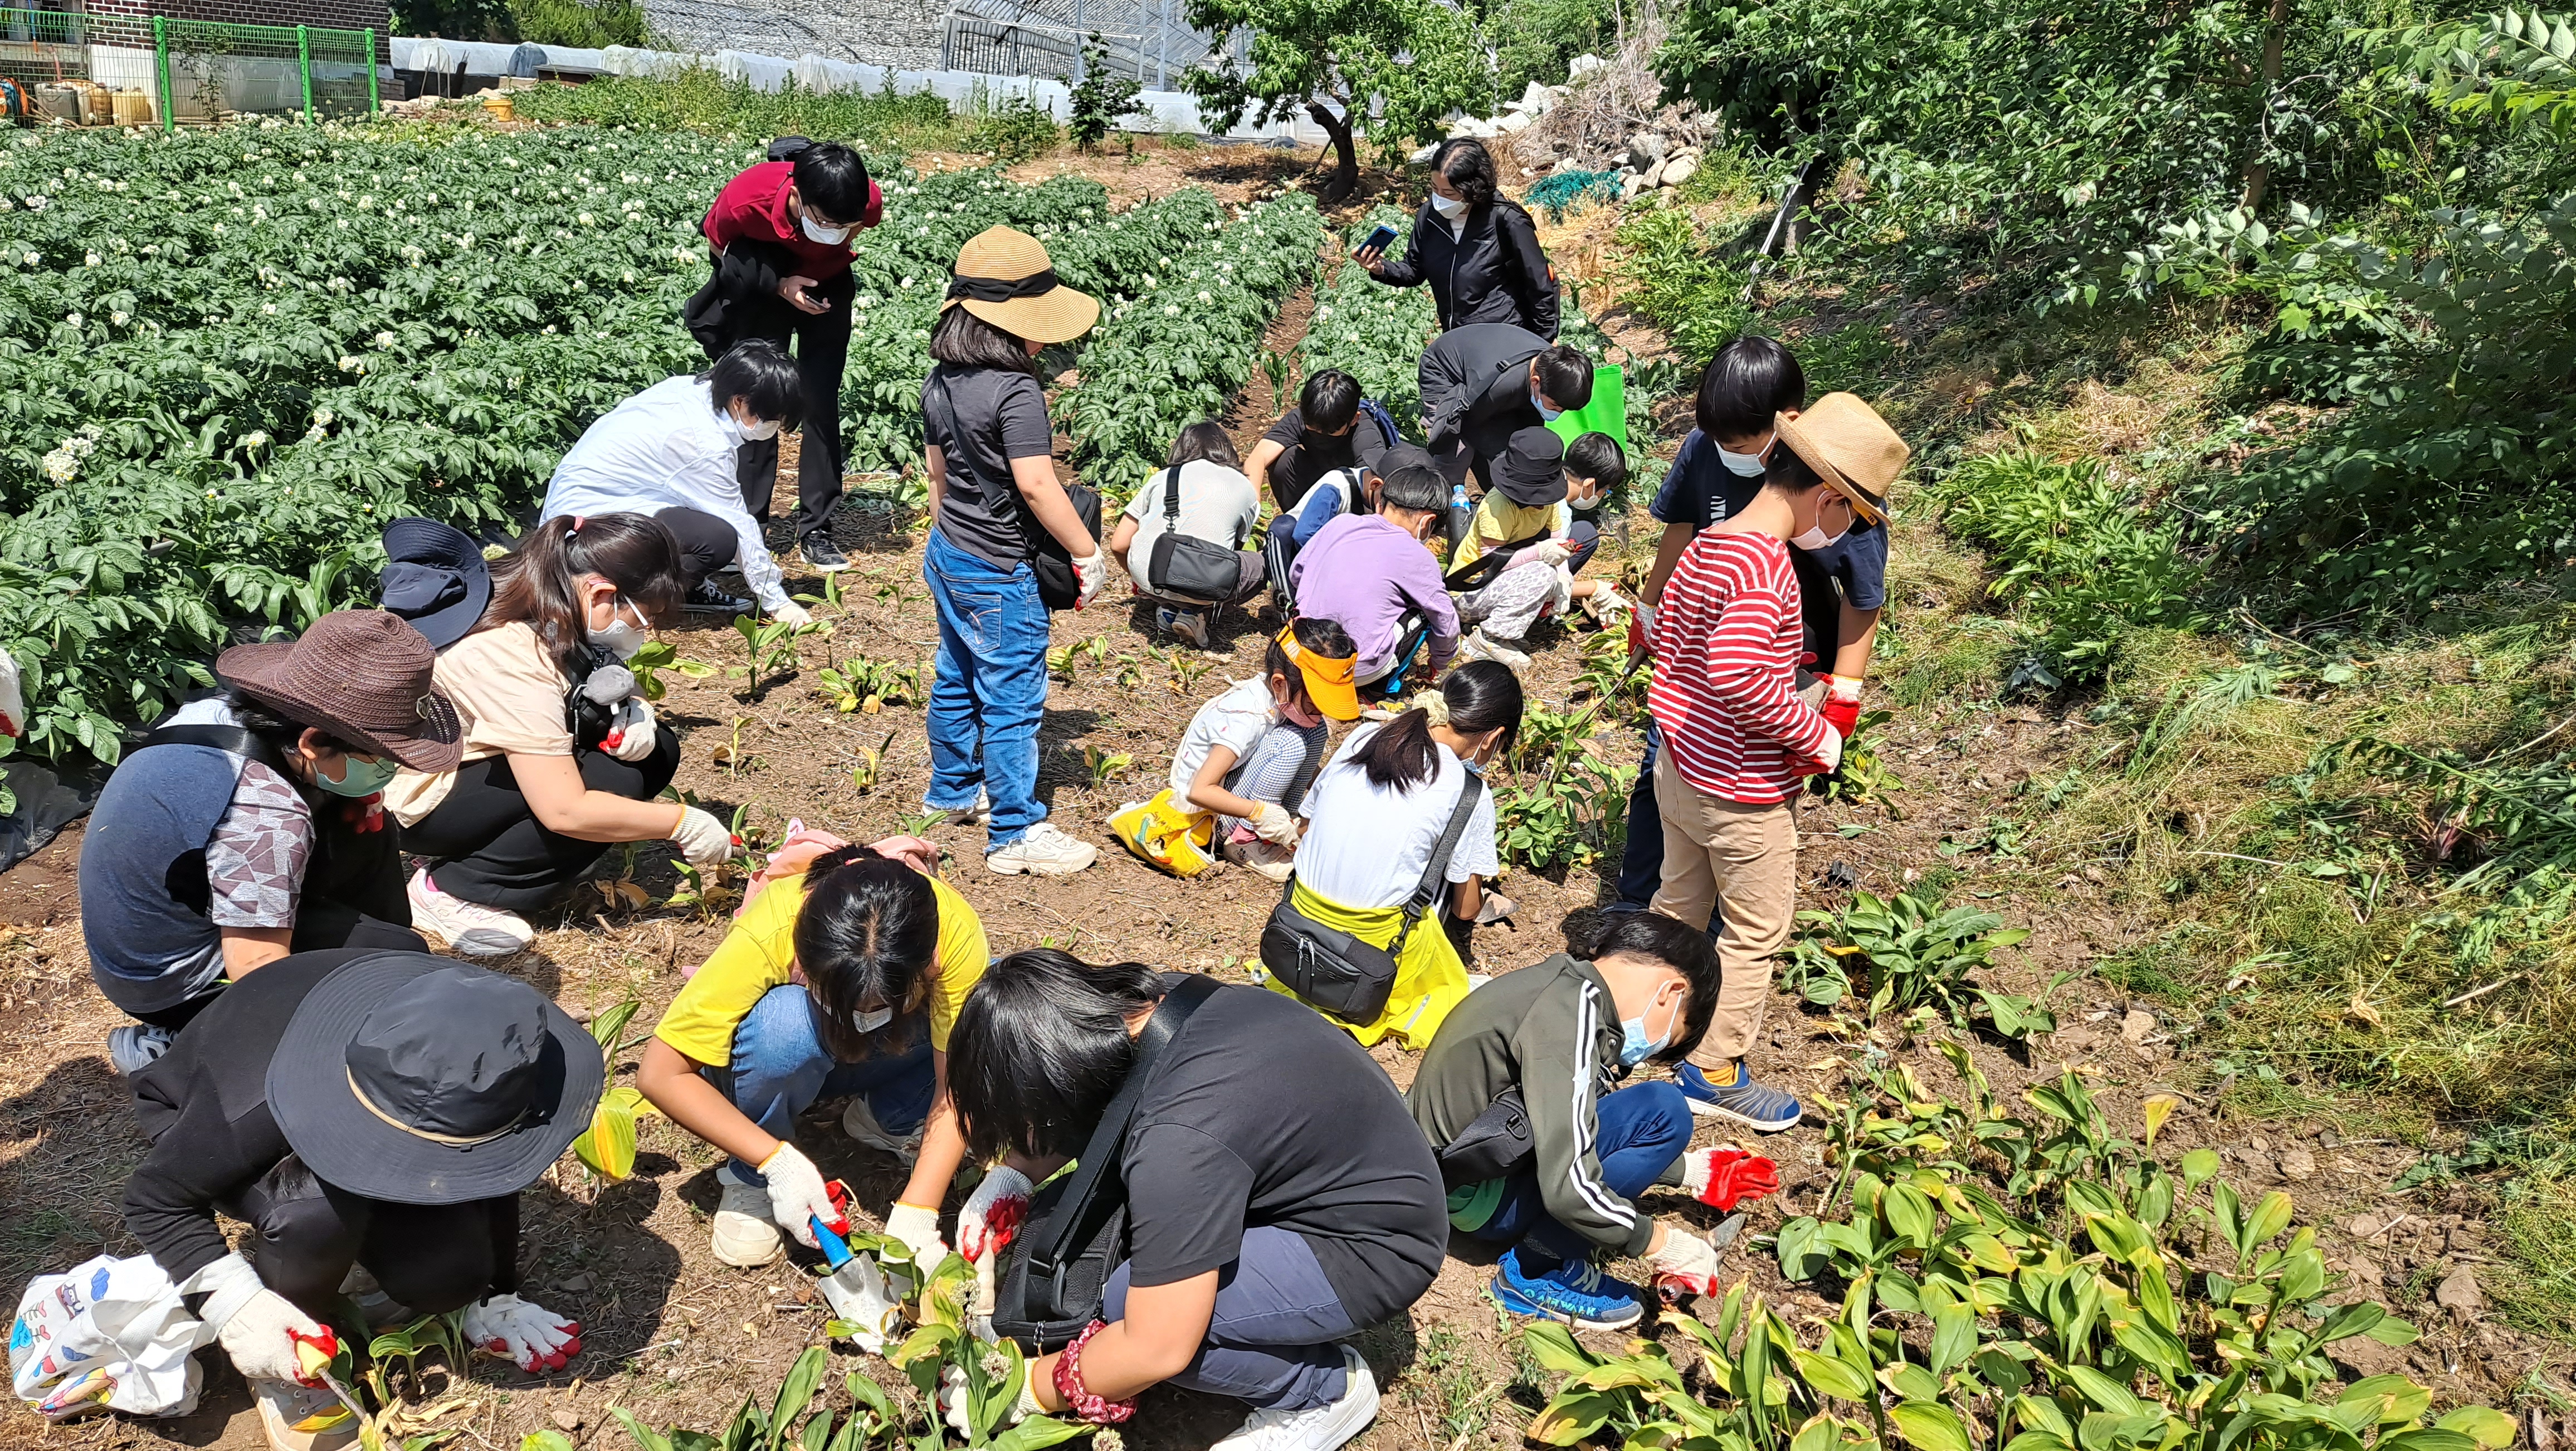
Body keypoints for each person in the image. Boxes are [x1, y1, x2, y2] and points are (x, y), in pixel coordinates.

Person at [944, 950, 1446, 1451]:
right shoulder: (1156, 1005)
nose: (1033, 1139)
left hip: (1375, 1246)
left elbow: (1156, 1347)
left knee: (1126, 1306)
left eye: (1035, 1124)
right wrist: (1013, 1178)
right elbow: (1102, 1101)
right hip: (1370, 1170)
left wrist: (1023, 1387)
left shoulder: (1178, 1141)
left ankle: (1325, 1391)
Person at [125, 947, 597, 1449]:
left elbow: (497, 1173)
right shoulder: (248, 1109)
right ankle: (286, 1364)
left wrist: (498, 1292)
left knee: (450, 1277)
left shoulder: (491, 1048)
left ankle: (367, 1260)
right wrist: (237, 1306)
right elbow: (155, 1199)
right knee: (311, 1217)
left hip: (383, 1098)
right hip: (224, 1116)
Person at [1642, 392, 1908, 1133]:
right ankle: (1713, 1067)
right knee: (1755, 930)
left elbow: (1686, 649)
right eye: (1850, 517)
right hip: (1741, 792)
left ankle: (1641, 1021)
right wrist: (1815, 735)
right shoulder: (1767, 571)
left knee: (1679, 906)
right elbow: (1737, 673)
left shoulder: (1714, 542)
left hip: (1682, 765)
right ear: (1827, 497)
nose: (1845, 533)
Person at [79, 611, 457, 1076]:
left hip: (148, 938)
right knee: (397, 962)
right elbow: (258, 968)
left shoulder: (217, 713)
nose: (391, 769)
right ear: (314, 742)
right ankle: (188, 1042)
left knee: (368, 829)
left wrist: (344, 792)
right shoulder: (268, 816)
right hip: (176, 983)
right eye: (382, 757)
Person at [388, 515, 738, 958]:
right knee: (612, 784)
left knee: (655, 752)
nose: (645, 632)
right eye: (643, 618)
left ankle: (482, 857)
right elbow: (564, 809)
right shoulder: (509, 650)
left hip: (470, 759)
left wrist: (635, 712)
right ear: (602, 593)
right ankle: (451, 892)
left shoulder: (547, 593)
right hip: (410, 798)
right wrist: (681, 823)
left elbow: (594, 675)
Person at [638, 832, 989, 1268]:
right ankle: (749, 1177)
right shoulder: (774, 925)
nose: (866, 1014)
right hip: (780, 1059)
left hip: (879, 1051)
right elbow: (660, 1074)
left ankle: (888, 1118)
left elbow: (954, 1082)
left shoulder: (949, 930)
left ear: (927, 963)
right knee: (784, 1027)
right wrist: (773, 1161)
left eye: (881, 1003)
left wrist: (918, 1211)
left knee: (988, 1010)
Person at [1409, 913, 1776, 1330]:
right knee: (1664, 1109)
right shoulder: (1573, 1017)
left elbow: (1566, 1119)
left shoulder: (1561, 988)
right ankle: (1535, 1270)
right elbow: (1568, 1187)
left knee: (1656, 1110)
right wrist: (1660, 1243)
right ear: (1671, 992)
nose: (1646, 1054)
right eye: (1670, 1036)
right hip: (1478, 1200)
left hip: (1451, 1169)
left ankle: (1542, 1255)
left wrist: (1688, 1172)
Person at [920, 226, 1106, 877]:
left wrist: (951, 546)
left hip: (950, 551)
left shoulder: (941, 381)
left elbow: (938, 477)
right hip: (1000, 567)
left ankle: (951, 791)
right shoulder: (1016, 390)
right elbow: (1036, 484)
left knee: (956, 675)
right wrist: (1087, 552)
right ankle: (1015, 831)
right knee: (1012, 699)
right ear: (1011, 325)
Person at [1274, 663, 1524, 1048]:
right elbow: (1466, 910)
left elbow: (1305, 828)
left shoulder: (1364, 737)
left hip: (1297, 922)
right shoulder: (1469, 792)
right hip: (1372, 952)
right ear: (1493, 738)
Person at [684, 139, 884, 574]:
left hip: (827, 285)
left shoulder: (865, 199)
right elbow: (720, 249)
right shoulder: (747, 197)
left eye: (845, 224)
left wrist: (830, 248)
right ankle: (751, 522)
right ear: (796, 197)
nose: (837, 230)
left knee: (820, 399)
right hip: (765, 286)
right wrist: (778, 285)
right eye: (826, 221)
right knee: (760, 400)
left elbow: (855, 225)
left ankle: (817, 528)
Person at [540, 339, 815, 624]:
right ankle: (624, 600)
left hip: (591, 505)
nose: (774, 429)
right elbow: (738, 521)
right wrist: (777, 602)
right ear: (740, 401)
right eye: (771, 419)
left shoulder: (691, 390)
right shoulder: (700, 443)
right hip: (587, 533)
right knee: (718, 540)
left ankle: (672, 589)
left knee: (706, 526)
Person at [1163, 618, 1363, 883]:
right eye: (1315, 702)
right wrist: (1260, 814)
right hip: (1208, 817)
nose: (1321, 711)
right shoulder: (1247, 718)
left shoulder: (1279, 697)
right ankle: (1245, 841)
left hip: (1237, 797)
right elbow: (1198, 791)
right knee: (1289, 743)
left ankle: (1286, 824)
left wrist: (1327, 787)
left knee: (1315, 731)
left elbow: (1285, 759)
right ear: (1280, 683)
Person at [1450, 428, 1631, 670]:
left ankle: (1506, 630)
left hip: (1500, 586)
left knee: (1552, 571)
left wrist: (1564, 576)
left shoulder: (1550, 501)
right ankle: (1488, 638)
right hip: (1469, 591)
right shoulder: (1498, 507)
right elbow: (1488, 562)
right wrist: (1540, 554)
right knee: (1543, 572)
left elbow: (1560, 544)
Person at [1355, 139, 1560, 339]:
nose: (1439, 198)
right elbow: (1415, 270)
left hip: (1503, 335)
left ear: (1473, 189)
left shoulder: (1507, 220)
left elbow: (1540, 283)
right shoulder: (1429, 216)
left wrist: (1544, 340)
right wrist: (1380, 268)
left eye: (1449, 193)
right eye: (1435, 189)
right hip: (1456, 337)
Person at [1290, 457, 1460, 690]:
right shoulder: (1418, 557)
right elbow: (1446, 620)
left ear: (1380, 502)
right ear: (1428, 522)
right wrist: (1441, 662)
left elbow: (1297, 573)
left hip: (1295, 650)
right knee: (1428, 612)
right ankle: (1380, 689)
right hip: (1349, 672)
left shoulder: (1340, 524)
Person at [1108, 421, 1265, 649]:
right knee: (1260, 564)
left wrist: (1141, 580)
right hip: (1205, 585)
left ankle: (1168, 607)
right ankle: (1198, 614)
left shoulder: (1162, 477)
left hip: (1153, 581)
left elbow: (1118, 544)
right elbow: (1233, 552)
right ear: (1226, 450)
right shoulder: (1244, 486)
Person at [1417, 323, 1592, 494]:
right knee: (1456, 452)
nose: (1557, 414)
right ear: (1536, 382)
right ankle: (1443, 502)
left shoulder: (1551, 369)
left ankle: (1493, 491)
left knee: (1511, 448)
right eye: (1555, 406)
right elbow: (1471, 424)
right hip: (1444, 370)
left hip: (1482, 375)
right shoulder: (1501, 385)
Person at [1244, 369, 1397, 513]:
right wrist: (1252, 503)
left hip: (1352, 500)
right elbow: (1259, 457)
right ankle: (1295, 520)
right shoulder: (1305, 417)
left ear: (1354, 420)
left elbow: (1376, 489)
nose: (1320, 434)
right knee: (1284, 461)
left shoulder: (1365, 434)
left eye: (1330, 432)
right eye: (1312, 428)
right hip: (1318, 482)